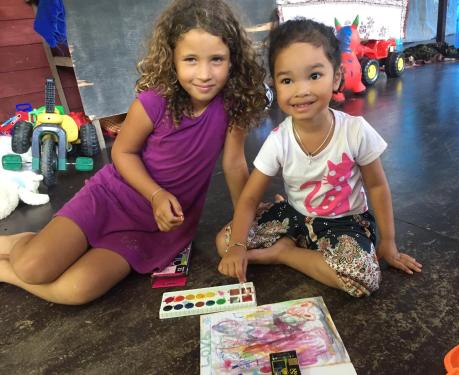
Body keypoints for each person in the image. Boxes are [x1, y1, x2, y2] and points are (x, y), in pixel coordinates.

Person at [0, 0, 267, 305]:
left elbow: (234, 164)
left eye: (216, 59)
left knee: (76, 290)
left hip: (160, 225)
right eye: (191, 59)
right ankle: (20, 243)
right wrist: (155, 194)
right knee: (33, 267)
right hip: (111, 199)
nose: (204, 74)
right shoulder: (153, 102)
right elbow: (123, 153)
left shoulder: (233, 107)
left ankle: (4, 271)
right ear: (173, 59)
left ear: (233, 60)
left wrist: (242, 226)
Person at [216, 18, 422, 297]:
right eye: (287, 80)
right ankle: (298, 245)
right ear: (275, 84)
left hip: (344, 223)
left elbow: (376, 186)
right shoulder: (279, 138)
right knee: (224, 242)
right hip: (296, 216)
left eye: (314, 76)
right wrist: (238, 247)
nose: (301, 90)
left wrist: (388, 241)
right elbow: (250, 198)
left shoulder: (355, 130)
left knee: (364, 277)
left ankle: (284, 254)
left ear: (336, 77)